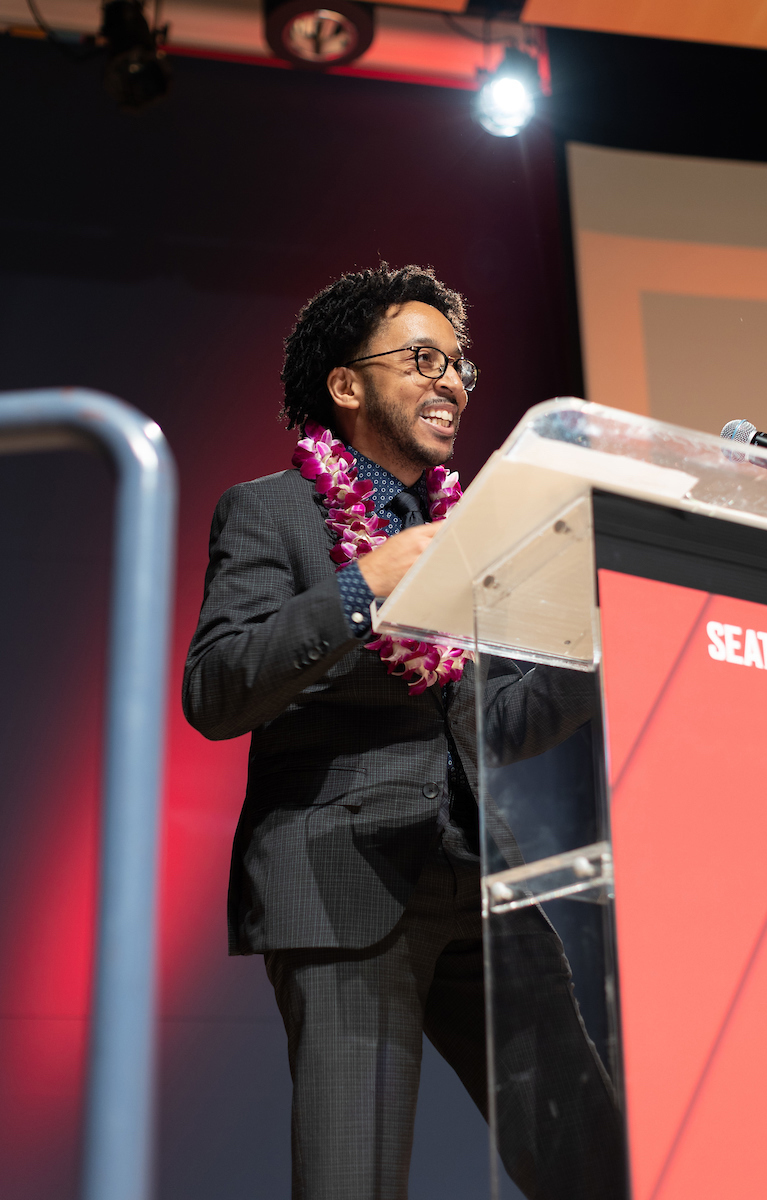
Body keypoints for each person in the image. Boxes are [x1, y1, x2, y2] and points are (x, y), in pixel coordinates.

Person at [183, 264, 624, 1200]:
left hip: (480, 880)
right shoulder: (270, 511)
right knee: (356, 1180)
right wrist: (361, 587)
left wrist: (602, 643)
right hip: (344, 878)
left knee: (594, 1162)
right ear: (347, 386)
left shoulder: (469, 534)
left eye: (460, 363)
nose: (453, 382)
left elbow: (494, 724)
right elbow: (217, 690)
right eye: (423, 359)